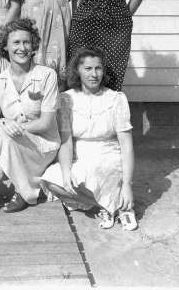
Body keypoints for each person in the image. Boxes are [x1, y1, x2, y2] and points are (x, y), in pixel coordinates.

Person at [39, 47, 137, 230]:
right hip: (80, 154)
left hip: (109, 154)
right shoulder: (66, 99)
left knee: (98, 169)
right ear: (78, 71)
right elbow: (66, 140)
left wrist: (128, 185)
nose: (94, 74)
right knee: (52, 180)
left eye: (98, 68)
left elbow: (127, 146)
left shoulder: (116, 99)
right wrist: (66, 171)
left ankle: (121, 202)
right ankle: (110, 205)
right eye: (88, 69)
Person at [0, 19, 60, 213]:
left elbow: (46, 123)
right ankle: (26, 178)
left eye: (27, 42)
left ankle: (26, 192)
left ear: (33, 45)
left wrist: (13, 127)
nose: (22, 48)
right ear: (5, 47)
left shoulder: (47, 75)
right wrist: (3, 122)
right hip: (13, 142)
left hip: (44, 145)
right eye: (16, 43)